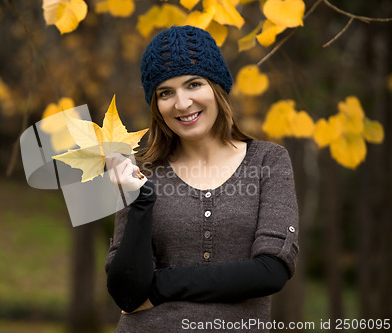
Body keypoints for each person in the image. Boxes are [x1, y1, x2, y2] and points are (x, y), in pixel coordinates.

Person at [104, 25, 299, 333]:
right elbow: (127, 293)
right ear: (156, 106)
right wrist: (141, 201)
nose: (181, 104)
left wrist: (160, 286)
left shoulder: (268, 161)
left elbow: (270, 271)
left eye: (193, 84)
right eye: (166, 93)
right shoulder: (141, 171)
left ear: (217, 88)